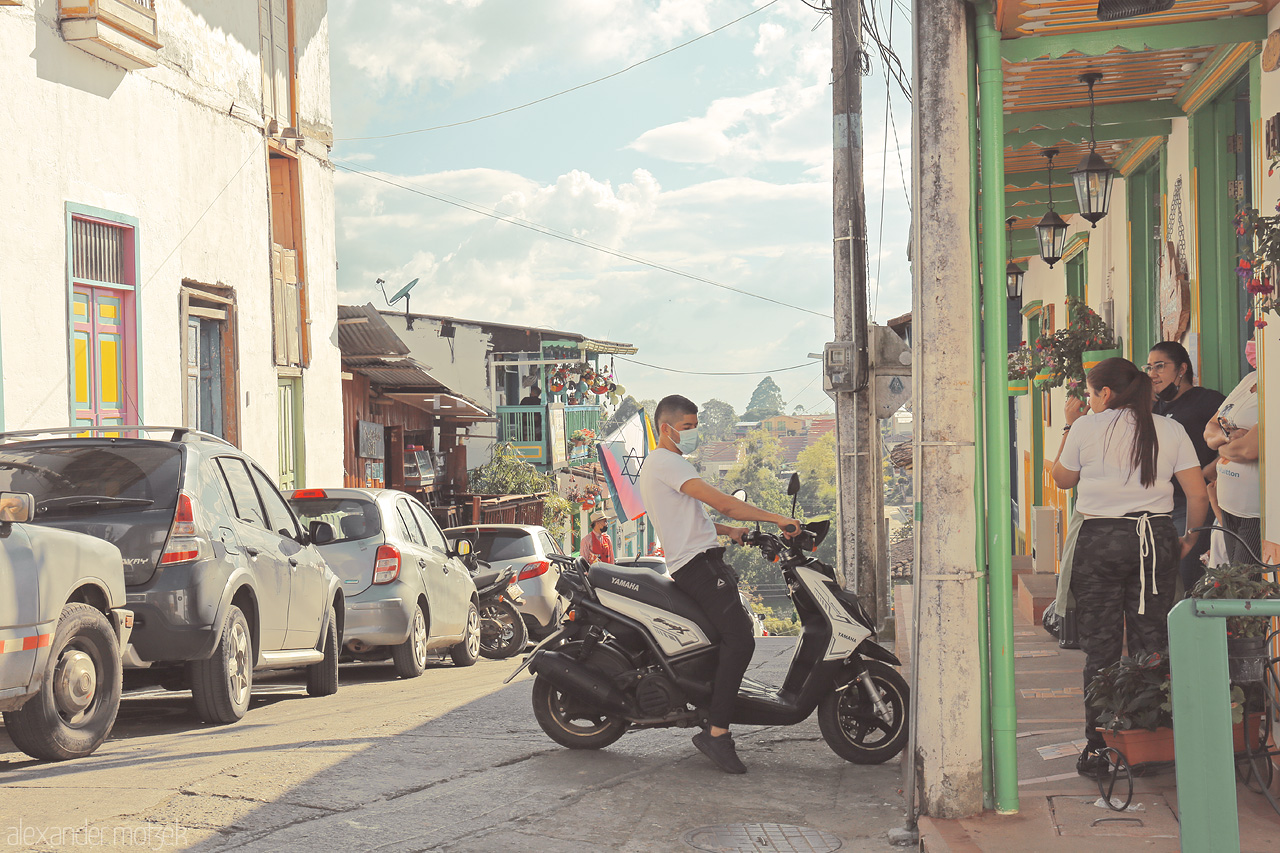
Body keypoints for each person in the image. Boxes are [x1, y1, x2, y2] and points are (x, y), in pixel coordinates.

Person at [1050, 358, 1207, 777]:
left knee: (1100, 647)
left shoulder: (1086, 426)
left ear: (1104, 393)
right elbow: (1197, 494)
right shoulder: (1170, 429)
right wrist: (1189, 538)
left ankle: (1099, 747)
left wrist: (1069, 425)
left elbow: (1063, 479)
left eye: (1090, 393)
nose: (1088, 401)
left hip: (1100, 540)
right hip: (1154, 537)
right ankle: (1150, 742)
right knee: (1151, 640)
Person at [637, 394, 798, 774]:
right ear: (666, 428)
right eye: (687, 427)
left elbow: (691, 518)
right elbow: (725, 503)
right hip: (698, 566)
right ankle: (717, 732)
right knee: (740, 639)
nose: (693, 433)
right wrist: (778, 519)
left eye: (695, 427)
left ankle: (712, 709)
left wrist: (731, 532)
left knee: (723, 639)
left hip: (696, 561)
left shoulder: (660, 464)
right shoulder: (668, 462)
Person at [1147, 341, 1224, 589]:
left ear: (1182, 369)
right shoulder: (1154, 408)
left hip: (1194, 503)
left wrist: (1210, 469)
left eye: (1160, 366)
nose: (1152, 374)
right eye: (1149, 367)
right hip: (1159, 506)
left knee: (1187, 573)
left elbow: (1235, 436)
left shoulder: (1206, 400)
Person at [1205, 339, 1260, 566]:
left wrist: (1222, 446)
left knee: (1247, 582)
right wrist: (1229, 438)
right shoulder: (1250, 379)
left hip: (1254, 513)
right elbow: (1209, 430)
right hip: (1228, 507)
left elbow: (1249, 449)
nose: (1252, 341)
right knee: (1234, 580)